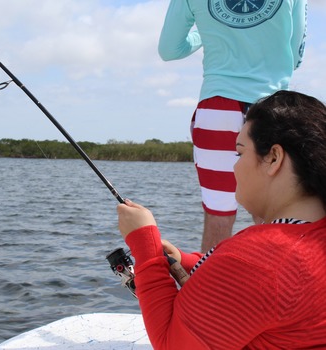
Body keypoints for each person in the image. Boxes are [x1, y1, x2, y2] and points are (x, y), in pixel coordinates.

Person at [117, 90, 326, 349]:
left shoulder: (259, 261)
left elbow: (172, 345)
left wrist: (144, 246)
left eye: (239, 154)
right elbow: (255, 291)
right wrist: (187, 262)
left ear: (273, 158)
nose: (234, 167)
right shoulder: (309, 241)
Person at [158, 0, 308, 252]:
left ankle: (209, 289)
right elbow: (295, 56)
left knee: (219, 214)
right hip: (274, 110)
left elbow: (169, 50)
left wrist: (204, 34)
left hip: (217, 110)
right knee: (272, 218)